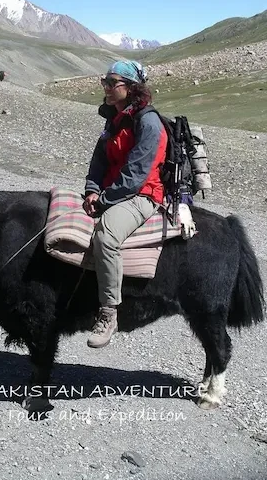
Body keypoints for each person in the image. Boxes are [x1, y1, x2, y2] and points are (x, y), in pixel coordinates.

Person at [82, 60, 168, 348]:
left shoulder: (148, 121)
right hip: (112, 191)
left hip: (143, 194)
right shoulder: (114, 119)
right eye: (104, 81)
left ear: (131, 88)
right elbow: (99, 161)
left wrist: (104, 201)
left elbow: (136, 173)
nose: (106, 87)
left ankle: (108, 313)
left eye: (112, 82)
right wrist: (91, 190)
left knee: (106, 235)